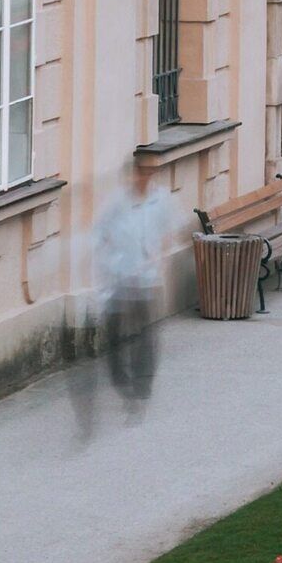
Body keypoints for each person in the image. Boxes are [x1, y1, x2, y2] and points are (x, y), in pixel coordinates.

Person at [79, 164, 174, 431]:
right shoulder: (117, 203)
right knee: (115, 340)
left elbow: (167, 233)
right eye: (138, 173)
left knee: (145, 339)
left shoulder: (159, 200)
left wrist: (159, 261)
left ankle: (141, 391)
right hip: (120, 282)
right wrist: (105, 262)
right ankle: (123, 386)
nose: (141, 178)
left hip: (146, 282)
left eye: (146, 174)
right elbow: (98, 233)